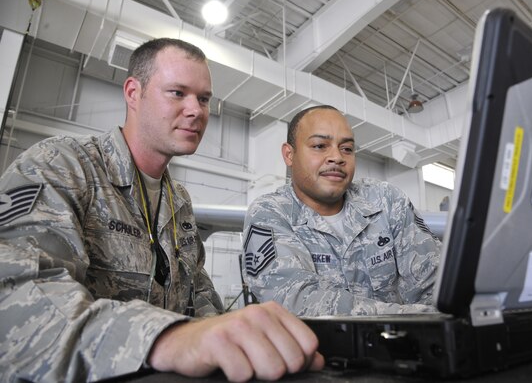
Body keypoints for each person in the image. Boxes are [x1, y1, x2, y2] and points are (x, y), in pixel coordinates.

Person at [0, 38, 323, 382]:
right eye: (177, 93)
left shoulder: (178, 199)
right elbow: (15, 301)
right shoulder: (61, 165)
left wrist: (232, 334)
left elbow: (198, 294)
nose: (196, 110)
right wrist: (166, 337)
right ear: (133, 93)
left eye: (203, 98)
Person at [242, 105, 441, 316]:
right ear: (289, 155)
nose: (337, 157)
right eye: (320, 146)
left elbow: (435, 281)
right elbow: (297, 301)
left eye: (346, 148)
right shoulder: (270, 213)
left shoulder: (387, 201)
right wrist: (410, 316)